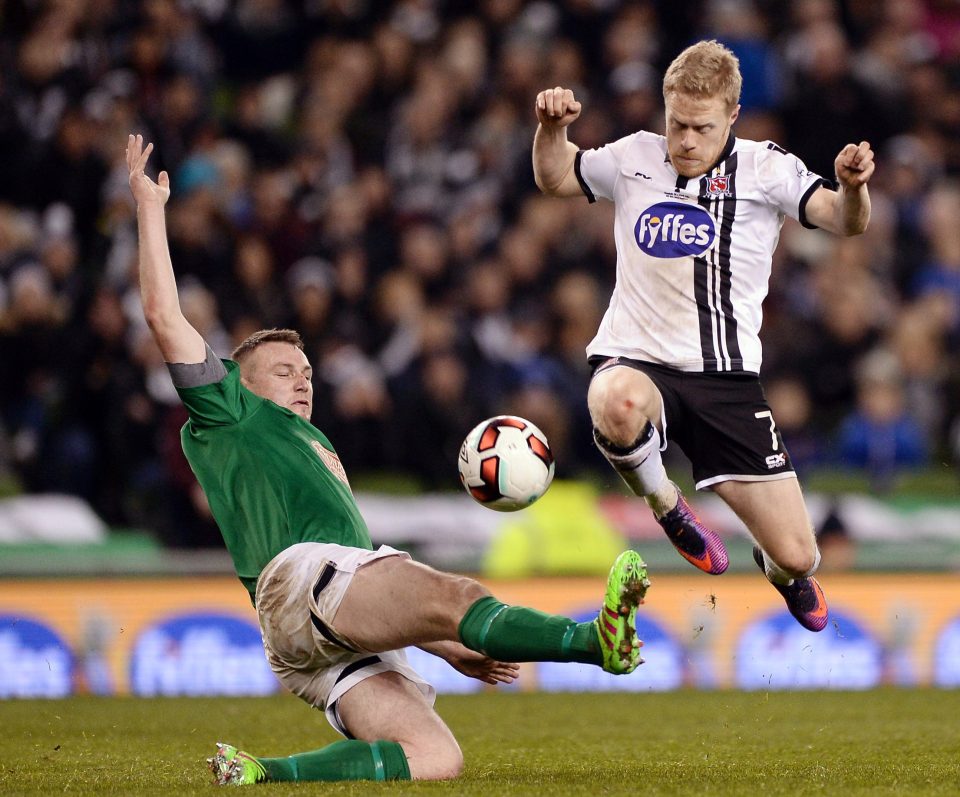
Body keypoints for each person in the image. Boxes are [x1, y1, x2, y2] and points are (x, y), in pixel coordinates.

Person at [126, 134, 651, 786]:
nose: (302, 380)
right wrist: (150, 209)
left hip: (308, 634)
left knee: (435, 757)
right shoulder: (233, 413)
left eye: (308, 369)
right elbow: (163, 313)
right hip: (299, 581)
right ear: (240, 381)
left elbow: (368, 591)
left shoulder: (311, 450)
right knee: (458, 592)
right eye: (284, 370)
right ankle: (593, 640)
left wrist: (448, 644)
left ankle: (261, 771)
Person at [532, 40, 874, 633]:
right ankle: (669, 507)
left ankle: (777, 564)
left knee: (801, 555)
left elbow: (844, 222)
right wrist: (549, 129)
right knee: (613, 402)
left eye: (701, 127)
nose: (686, 140)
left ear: (732, 116)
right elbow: (556, 176)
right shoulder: (635, 156)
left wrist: (851, 188)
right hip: (639, 359)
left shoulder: (768, 168)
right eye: (677, 124)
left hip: (727, 383)